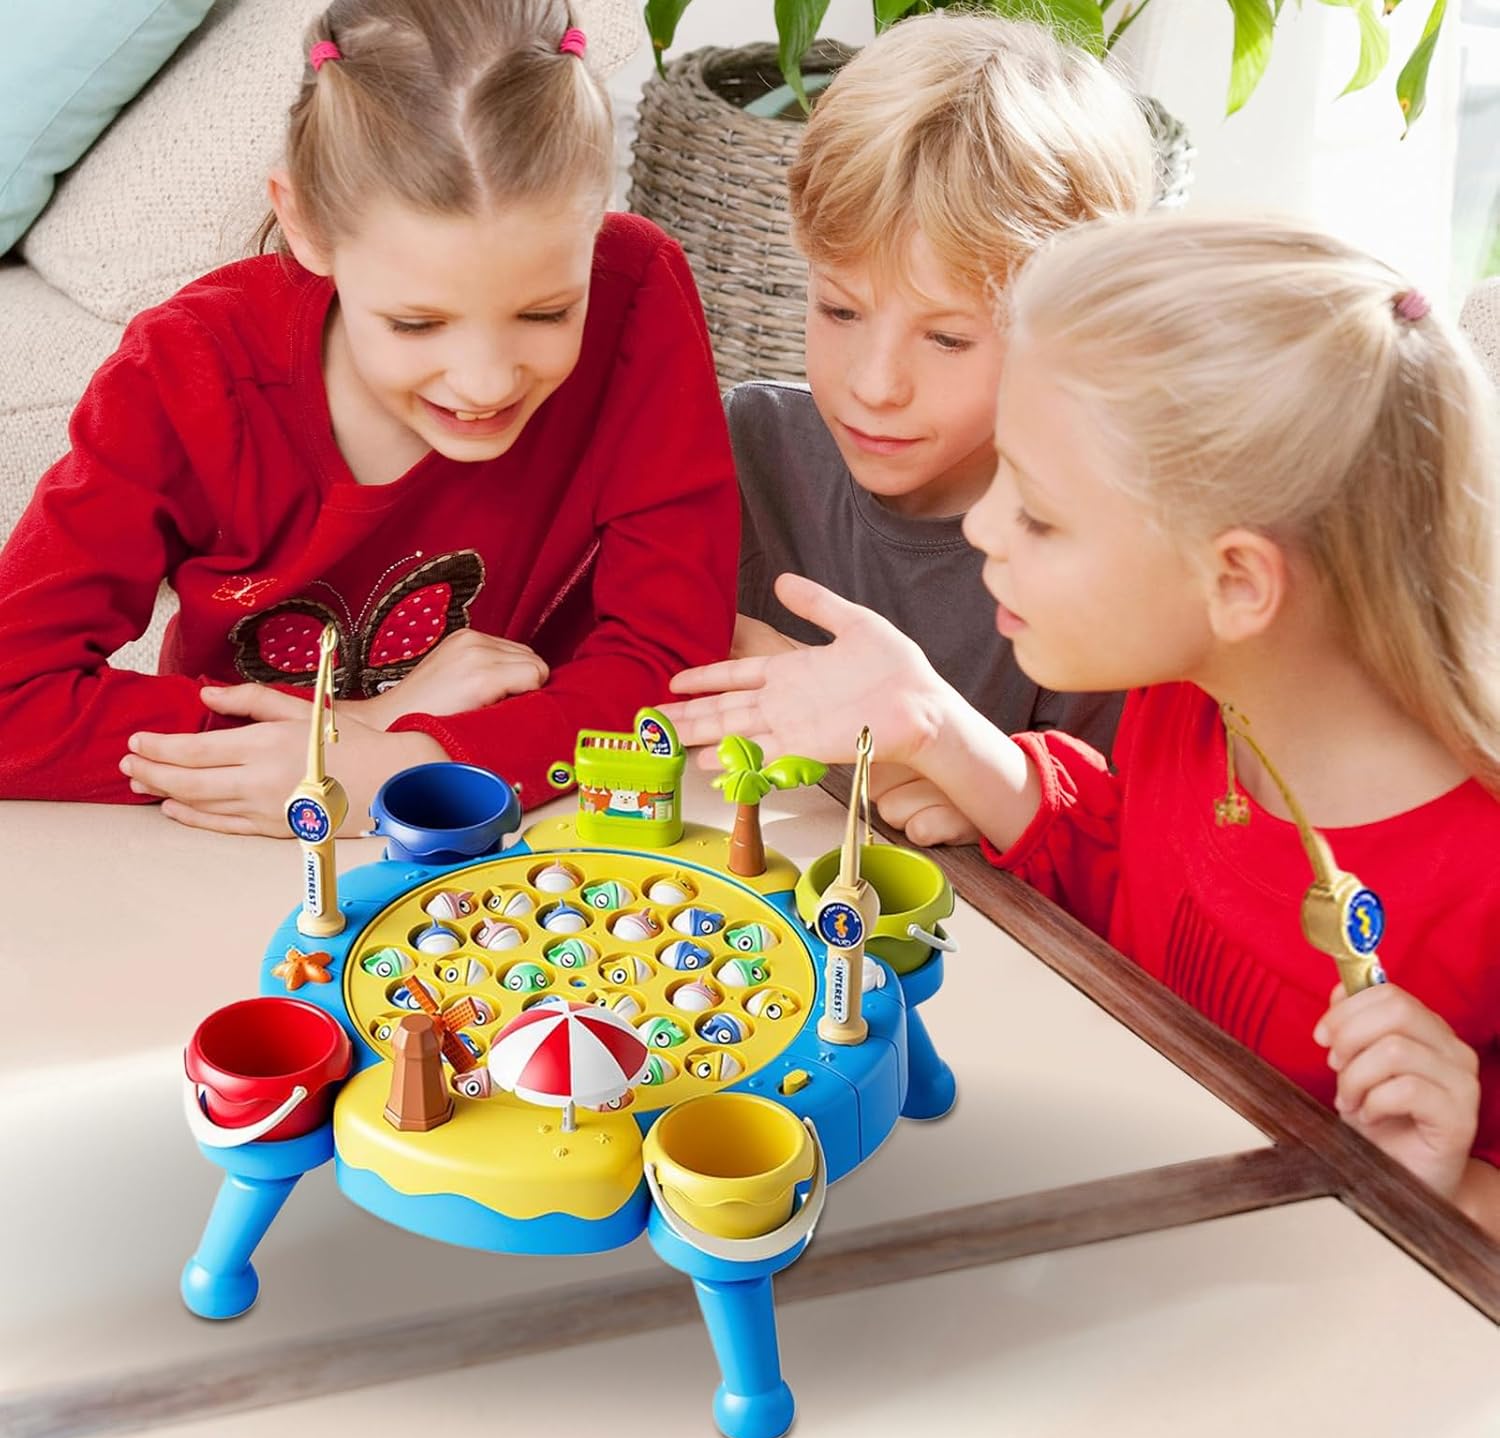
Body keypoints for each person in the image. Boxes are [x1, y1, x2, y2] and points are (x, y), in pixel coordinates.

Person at [670, 216, 1500, 1233]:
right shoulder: (1193, 702)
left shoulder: (1481, 874)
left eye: (1040, 514)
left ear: (1238, 582)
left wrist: (1449, 1188)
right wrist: (937, 731)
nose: (983, 527)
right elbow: (1127, 876)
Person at [0, 0, 737, 835]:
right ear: (306, 223)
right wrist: (348, 738)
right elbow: (11, 701)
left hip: (533, 826)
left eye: (547, 313)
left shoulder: (635, 290)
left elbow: (671, 659)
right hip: (237, 835)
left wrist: (413, 763)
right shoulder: (187, 368)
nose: (485, 382)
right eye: (417, 324)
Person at [725, 12, 1155, 844]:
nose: (874, 385)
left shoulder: (1103, 562)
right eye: (839, 309)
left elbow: (1112, 855)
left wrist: (959, 776)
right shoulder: (750, 447)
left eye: (948, 339)